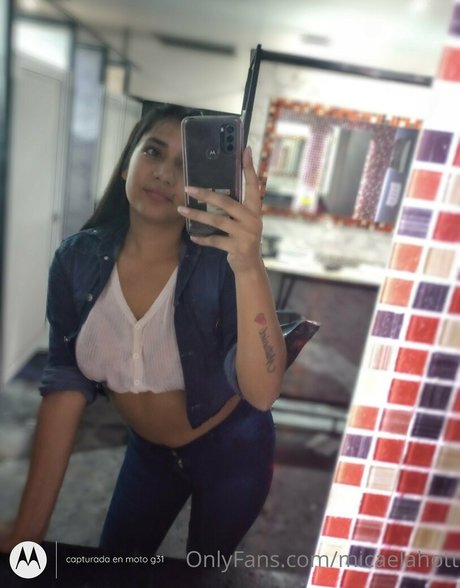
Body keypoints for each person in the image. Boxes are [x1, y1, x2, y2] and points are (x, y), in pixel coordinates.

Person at [0, 104, 286, 559]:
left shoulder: (221, 264)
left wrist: (249, 265)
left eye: (185, 165)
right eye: (153, 151)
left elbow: (263, 393)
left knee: (203, 574)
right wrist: (27, 531)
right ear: (127, 161)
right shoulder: (77, 260)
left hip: (233, 450)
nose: (164, 174)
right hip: (148, 453)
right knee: (117, 562)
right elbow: (65, 387)